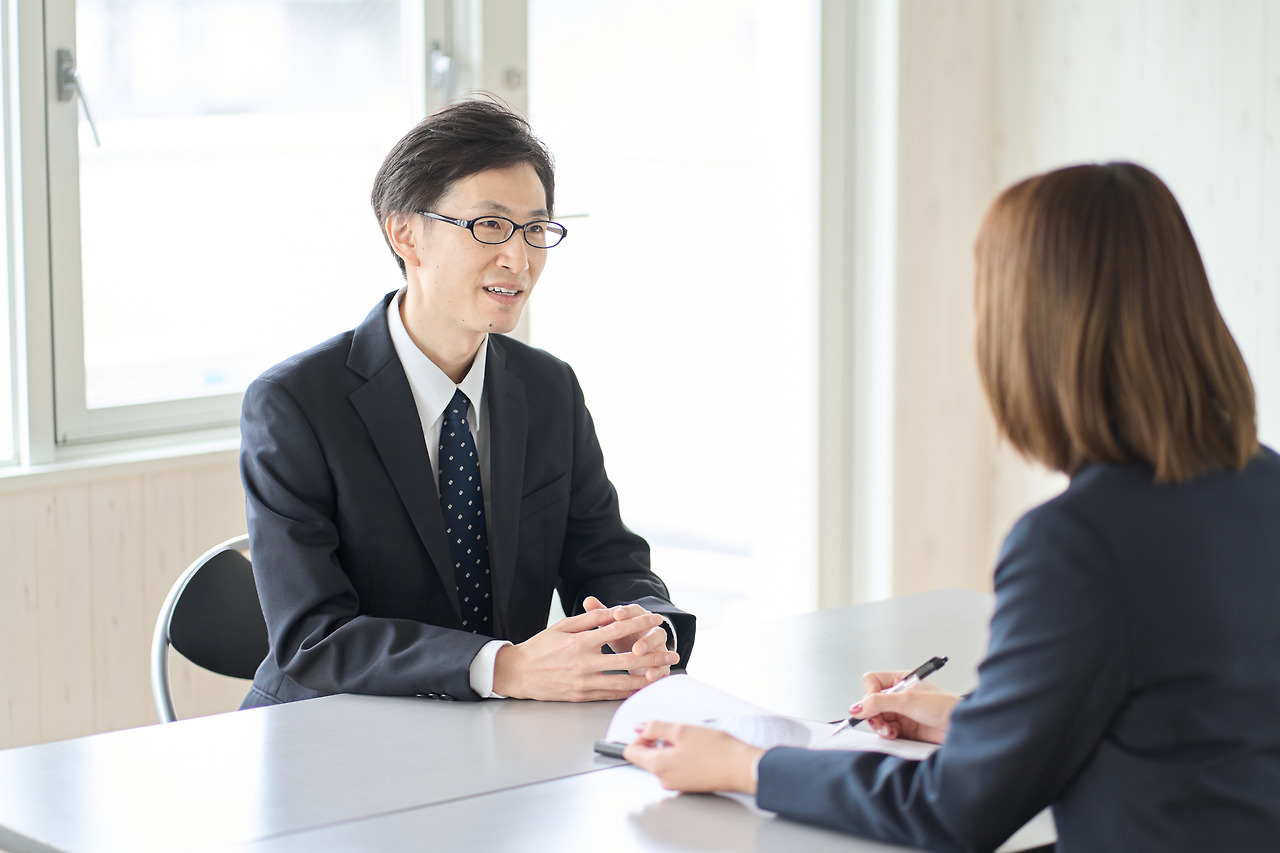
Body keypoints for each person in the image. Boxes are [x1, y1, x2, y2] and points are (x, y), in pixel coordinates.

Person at [625, 162, 1280, 851]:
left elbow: (951, 809)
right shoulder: (1263, 482)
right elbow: (1179, 716)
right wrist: (974, 720)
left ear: (1032, 334)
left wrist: (747, 764)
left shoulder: (1075, 542)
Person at [239, 97, 694, 708]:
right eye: (490, 226)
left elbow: (608, 560)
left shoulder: (549, 389)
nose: (519, 258)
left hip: (501, 736)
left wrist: (646, 628)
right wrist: (503, 668)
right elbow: (312, 637)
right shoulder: (294, 404)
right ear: (405, 233)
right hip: (334, 734)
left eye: (535, 230)